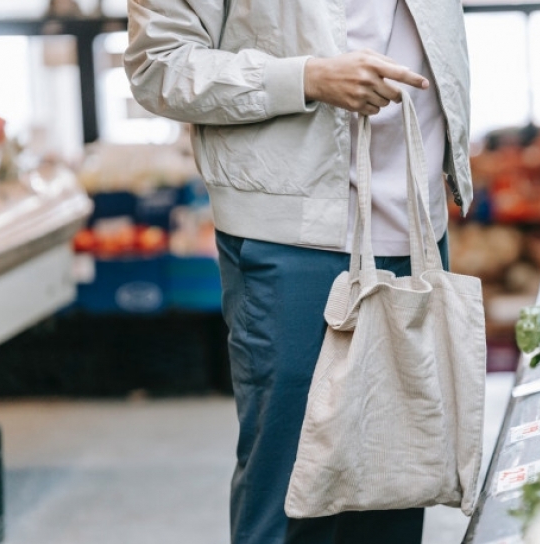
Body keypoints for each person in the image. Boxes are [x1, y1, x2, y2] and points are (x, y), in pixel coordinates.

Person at [124, 1, 472, 543]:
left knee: (396, 488)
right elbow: (158, 65)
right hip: (293, 235)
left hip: (415, 228)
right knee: (291, 499)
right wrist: (305, 77)